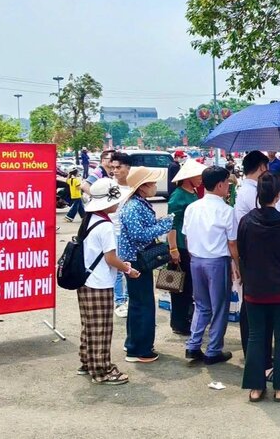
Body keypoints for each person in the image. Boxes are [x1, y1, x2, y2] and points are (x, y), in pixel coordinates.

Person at [238, 172, 280, 402]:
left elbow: (242, 254)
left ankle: (256, 388)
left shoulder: (246, 221)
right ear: (278, 195)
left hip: (254, 289)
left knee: (256, 337)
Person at [75, 178, 139, 385]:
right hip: (98, 283)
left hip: (85, 280)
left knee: (89, 326)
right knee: (101, 329)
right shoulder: (105, 226)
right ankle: (101, 370)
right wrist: (127, 268)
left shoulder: (90, 219)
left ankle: (87, 362)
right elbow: (110, 258)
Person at [183, 166, 240, 365]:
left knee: (201, 305)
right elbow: (232, 243)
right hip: (217, 262)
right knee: (219, 307)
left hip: (196, 260)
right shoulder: (226, 211)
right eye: (227, 183)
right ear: (220, 185)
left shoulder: (192, 207)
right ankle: (213, 349)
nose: (229, 187)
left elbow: (187, 236)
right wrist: (238, 264)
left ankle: (193, 345)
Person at [119, 167, 175, 363]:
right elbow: (139, 235)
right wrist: (165, 224)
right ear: (142, 187)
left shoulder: (137, 204)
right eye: (152, 183)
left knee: (139, 303)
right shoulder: (134, 206)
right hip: (136, 260)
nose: (155, 186)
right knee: (143, 305)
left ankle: (135, 344)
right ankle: (139, 349)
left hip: (135, 259)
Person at [235, 151, 280, 362]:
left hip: (251, 258)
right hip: (265, 260)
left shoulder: (242, 190)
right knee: (257, 316)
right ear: (262, 168)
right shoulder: (253, 193)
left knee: (251, 311)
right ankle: (260, 359)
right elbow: (276, 214)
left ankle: (257, 358)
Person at [167, 158, 207, 336]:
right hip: (181, 247)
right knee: (180, 288)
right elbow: (172, 225)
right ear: (188, 177)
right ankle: (179, 322)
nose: (201, 178)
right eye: (198, 176)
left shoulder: (192, 192)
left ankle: (186, 319)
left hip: (191, 245)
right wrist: (173, 249)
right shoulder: (177, 197)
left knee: (188, 287)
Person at [109, 152, 132, 318]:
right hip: (113, 231)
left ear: (128, 168)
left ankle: (130, 298)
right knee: (117, 267)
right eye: (113, 167)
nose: (115, 171)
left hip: (130, 233)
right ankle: (119, 301)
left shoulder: (134, 187)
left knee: (130, 266)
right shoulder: (110, 186)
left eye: (119, 167)